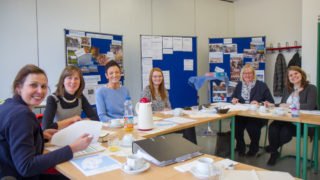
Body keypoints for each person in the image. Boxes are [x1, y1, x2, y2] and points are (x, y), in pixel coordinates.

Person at [0, 64, 92, 179]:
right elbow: (26, 167)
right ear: (19, 87)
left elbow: (12, 140)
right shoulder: (21, 115)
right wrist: (73, 148)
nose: (40, 91)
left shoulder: (9, 104)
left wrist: (40, 136)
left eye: (43, 86)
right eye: (33, 85)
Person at [266, 66, 317, 165]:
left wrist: (290, 106)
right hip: (285, 118)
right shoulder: (287, 89)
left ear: (301, 74)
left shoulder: (311, 88)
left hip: (301, 121)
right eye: (291, 75)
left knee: (285, 132)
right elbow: (282, 104)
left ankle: (272, 148)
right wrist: (273, 105)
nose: (294, 76)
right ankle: (274, 152)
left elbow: (310, 106)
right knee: (272, 127)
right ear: (288, 78)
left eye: (296, 73)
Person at [141, 68, 197, 144]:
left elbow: (169, 108)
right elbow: (144, 112)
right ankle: (189, 149)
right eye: (155, 76)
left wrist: (169, 110)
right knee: (187, 130)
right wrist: (160, 112)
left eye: (160, 76)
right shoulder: (147, 90)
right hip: (155, 124)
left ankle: (191, 150)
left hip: (166, 122)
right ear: (151, 78)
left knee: (189, 126)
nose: (158, 78)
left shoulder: (164, 90)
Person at [231, 64, 274, 156]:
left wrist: (260, 103)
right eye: (245, 73)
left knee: (252, 126)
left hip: (257, 116)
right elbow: (233, 97)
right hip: (241, 115)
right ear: (242, 75)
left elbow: (271, 102)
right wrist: (234, 100)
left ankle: (254, 147)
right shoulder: (239, 85)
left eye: (249, 73)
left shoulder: (261, 85)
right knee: (234, 125)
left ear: (253, 74)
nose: (247, 75)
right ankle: (241, 146)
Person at [42, 65, 99, 130]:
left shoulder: (80, 97)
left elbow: (95, 118)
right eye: (69, 78)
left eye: (76, 78)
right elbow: (46, 127)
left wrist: (79, 122)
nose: (73, 81)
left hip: (76, 134)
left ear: (80, 82)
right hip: (59, 136)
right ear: (63, 80)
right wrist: (72, 120)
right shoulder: (52, 99)